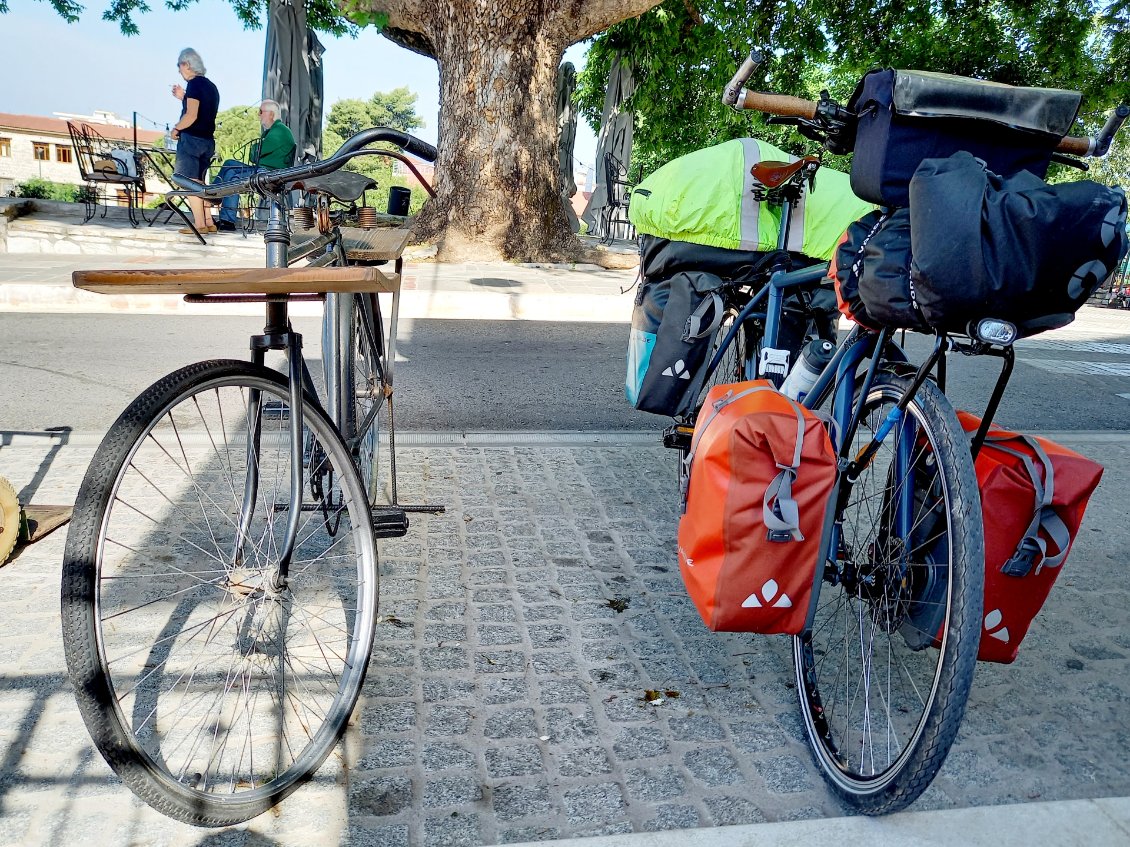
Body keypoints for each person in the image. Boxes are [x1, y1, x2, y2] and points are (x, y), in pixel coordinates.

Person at [210, 100, 297, 231]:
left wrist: (256, 148)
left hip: (268, 173)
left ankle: (224, 214)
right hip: (265, 170)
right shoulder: (276, 131)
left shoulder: (279, 132)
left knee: (232, 176)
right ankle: (214, 194)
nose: (258, 115)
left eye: (261, 112)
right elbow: (256, 152)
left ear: (271, 114)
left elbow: (254, 155)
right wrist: (257, 148)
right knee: (229, 164)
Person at [170, 47, 220, 235]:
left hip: (192, 140)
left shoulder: (194, 85)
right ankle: (209, 222)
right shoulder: (210, 87)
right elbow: (202, 108)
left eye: (179, 66)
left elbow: (191, 115)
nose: (179, 70)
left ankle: (199, 225)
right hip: (208, 141)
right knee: (200, 182)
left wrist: (176, 129)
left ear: (187, 64)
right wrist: (183, 97)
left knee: (189, 181)